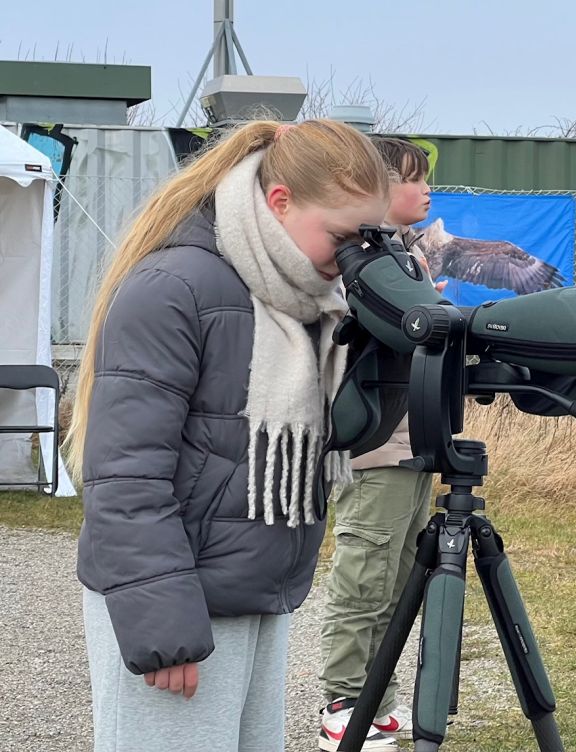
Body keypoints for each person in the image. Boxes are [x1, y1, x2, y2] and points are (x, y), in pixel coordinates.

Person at [67, 119, 391, 752]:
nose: (353, 256)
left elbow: (354, 433)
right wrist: (164, 625)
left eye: (371, 239)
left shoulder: (306, 300)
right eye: (344, 237)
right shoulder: (175, 287)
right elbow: (125, 473)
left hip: (251, 590)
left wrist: (391, 335)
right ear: (280, 202)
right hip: (177, 599)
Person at [317, 136, 439, 752]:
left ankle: (378, 701)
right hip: (376, 449)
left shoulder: (408, 258)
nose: (426, 190)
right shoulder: (358, 262)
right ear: (378, 187)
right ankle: (342, 701)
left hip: (417, 445)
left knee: (399, 584)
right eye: (414, 178)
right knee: (364, 577)